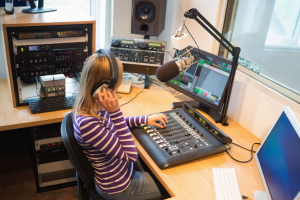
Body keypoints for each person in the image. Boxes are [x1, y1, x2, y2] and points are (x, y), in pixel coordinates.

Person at [72, 51, 168, 200]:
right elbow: (131, 155)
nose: (117, 90)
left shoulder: (93, 106)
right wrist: (115, 112)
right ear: (102, 88)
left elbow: (113, 125)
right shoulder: (87, 124)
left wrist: (144, 119)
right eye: (116, 86)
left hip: (124, 171)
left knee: (161, 169)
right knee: (170, 187)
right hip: (119, 187)